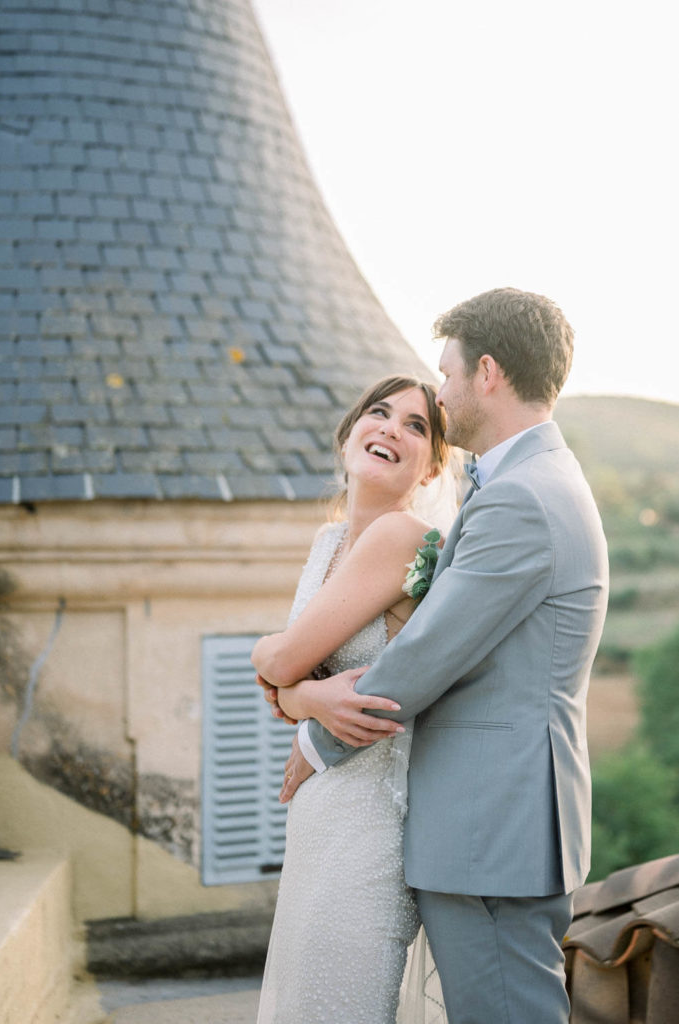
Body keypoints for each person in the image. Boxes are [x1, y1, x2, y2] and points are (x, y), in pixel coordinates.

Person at [282, 287, 609, 1024]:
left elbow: (429, 653)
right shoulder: (531, 482)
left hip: (492, 820)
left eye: (446, 374)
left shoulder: (523, 496)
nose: (440, 391)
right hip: (495, 819)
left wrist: (316, 736)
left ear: (486, 372)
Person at [252, 375, 453, 1024]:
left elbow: (282, 664)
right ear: (348, 437)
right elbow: (290, 687)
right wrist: (303, 696)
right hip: (318, 810)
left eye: (416, 426)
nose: (392, 428)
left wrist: (277, 670)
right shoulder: (327, 542)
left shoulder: (404, 538)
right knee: (304, 994)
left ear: (431, 467)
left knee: (339, 1002)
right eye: (379, 412)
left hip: (371, 815)